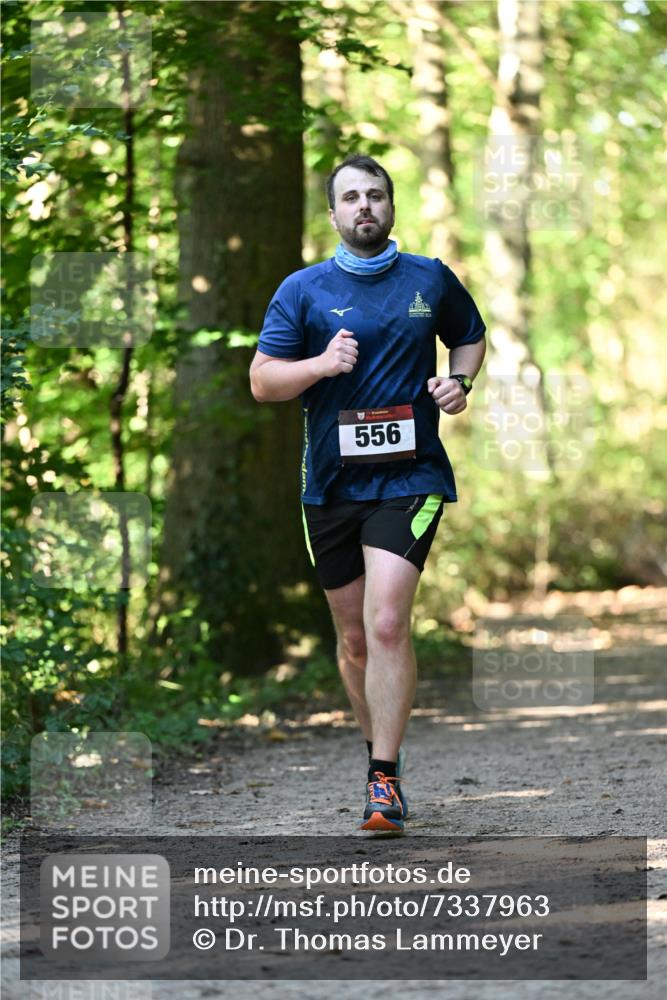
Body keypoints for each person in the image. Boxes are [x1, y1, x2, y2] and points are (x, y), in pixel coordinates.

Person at [249, 154, 486, 833]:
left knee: (386, 623)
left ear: (390, 207)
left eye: (375, 195)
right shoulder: (302, 290)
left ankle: (383, 782)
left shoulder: (429, 278)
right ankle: (376, 755)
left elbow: (467, 338)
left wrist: (457, 385)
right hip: (328, 485)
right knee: (353, 638)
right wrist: (321, 365)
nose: (364, 206)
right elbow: (263, 382)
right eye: (350, 197)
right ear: (332, 214)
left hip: (410, 479)